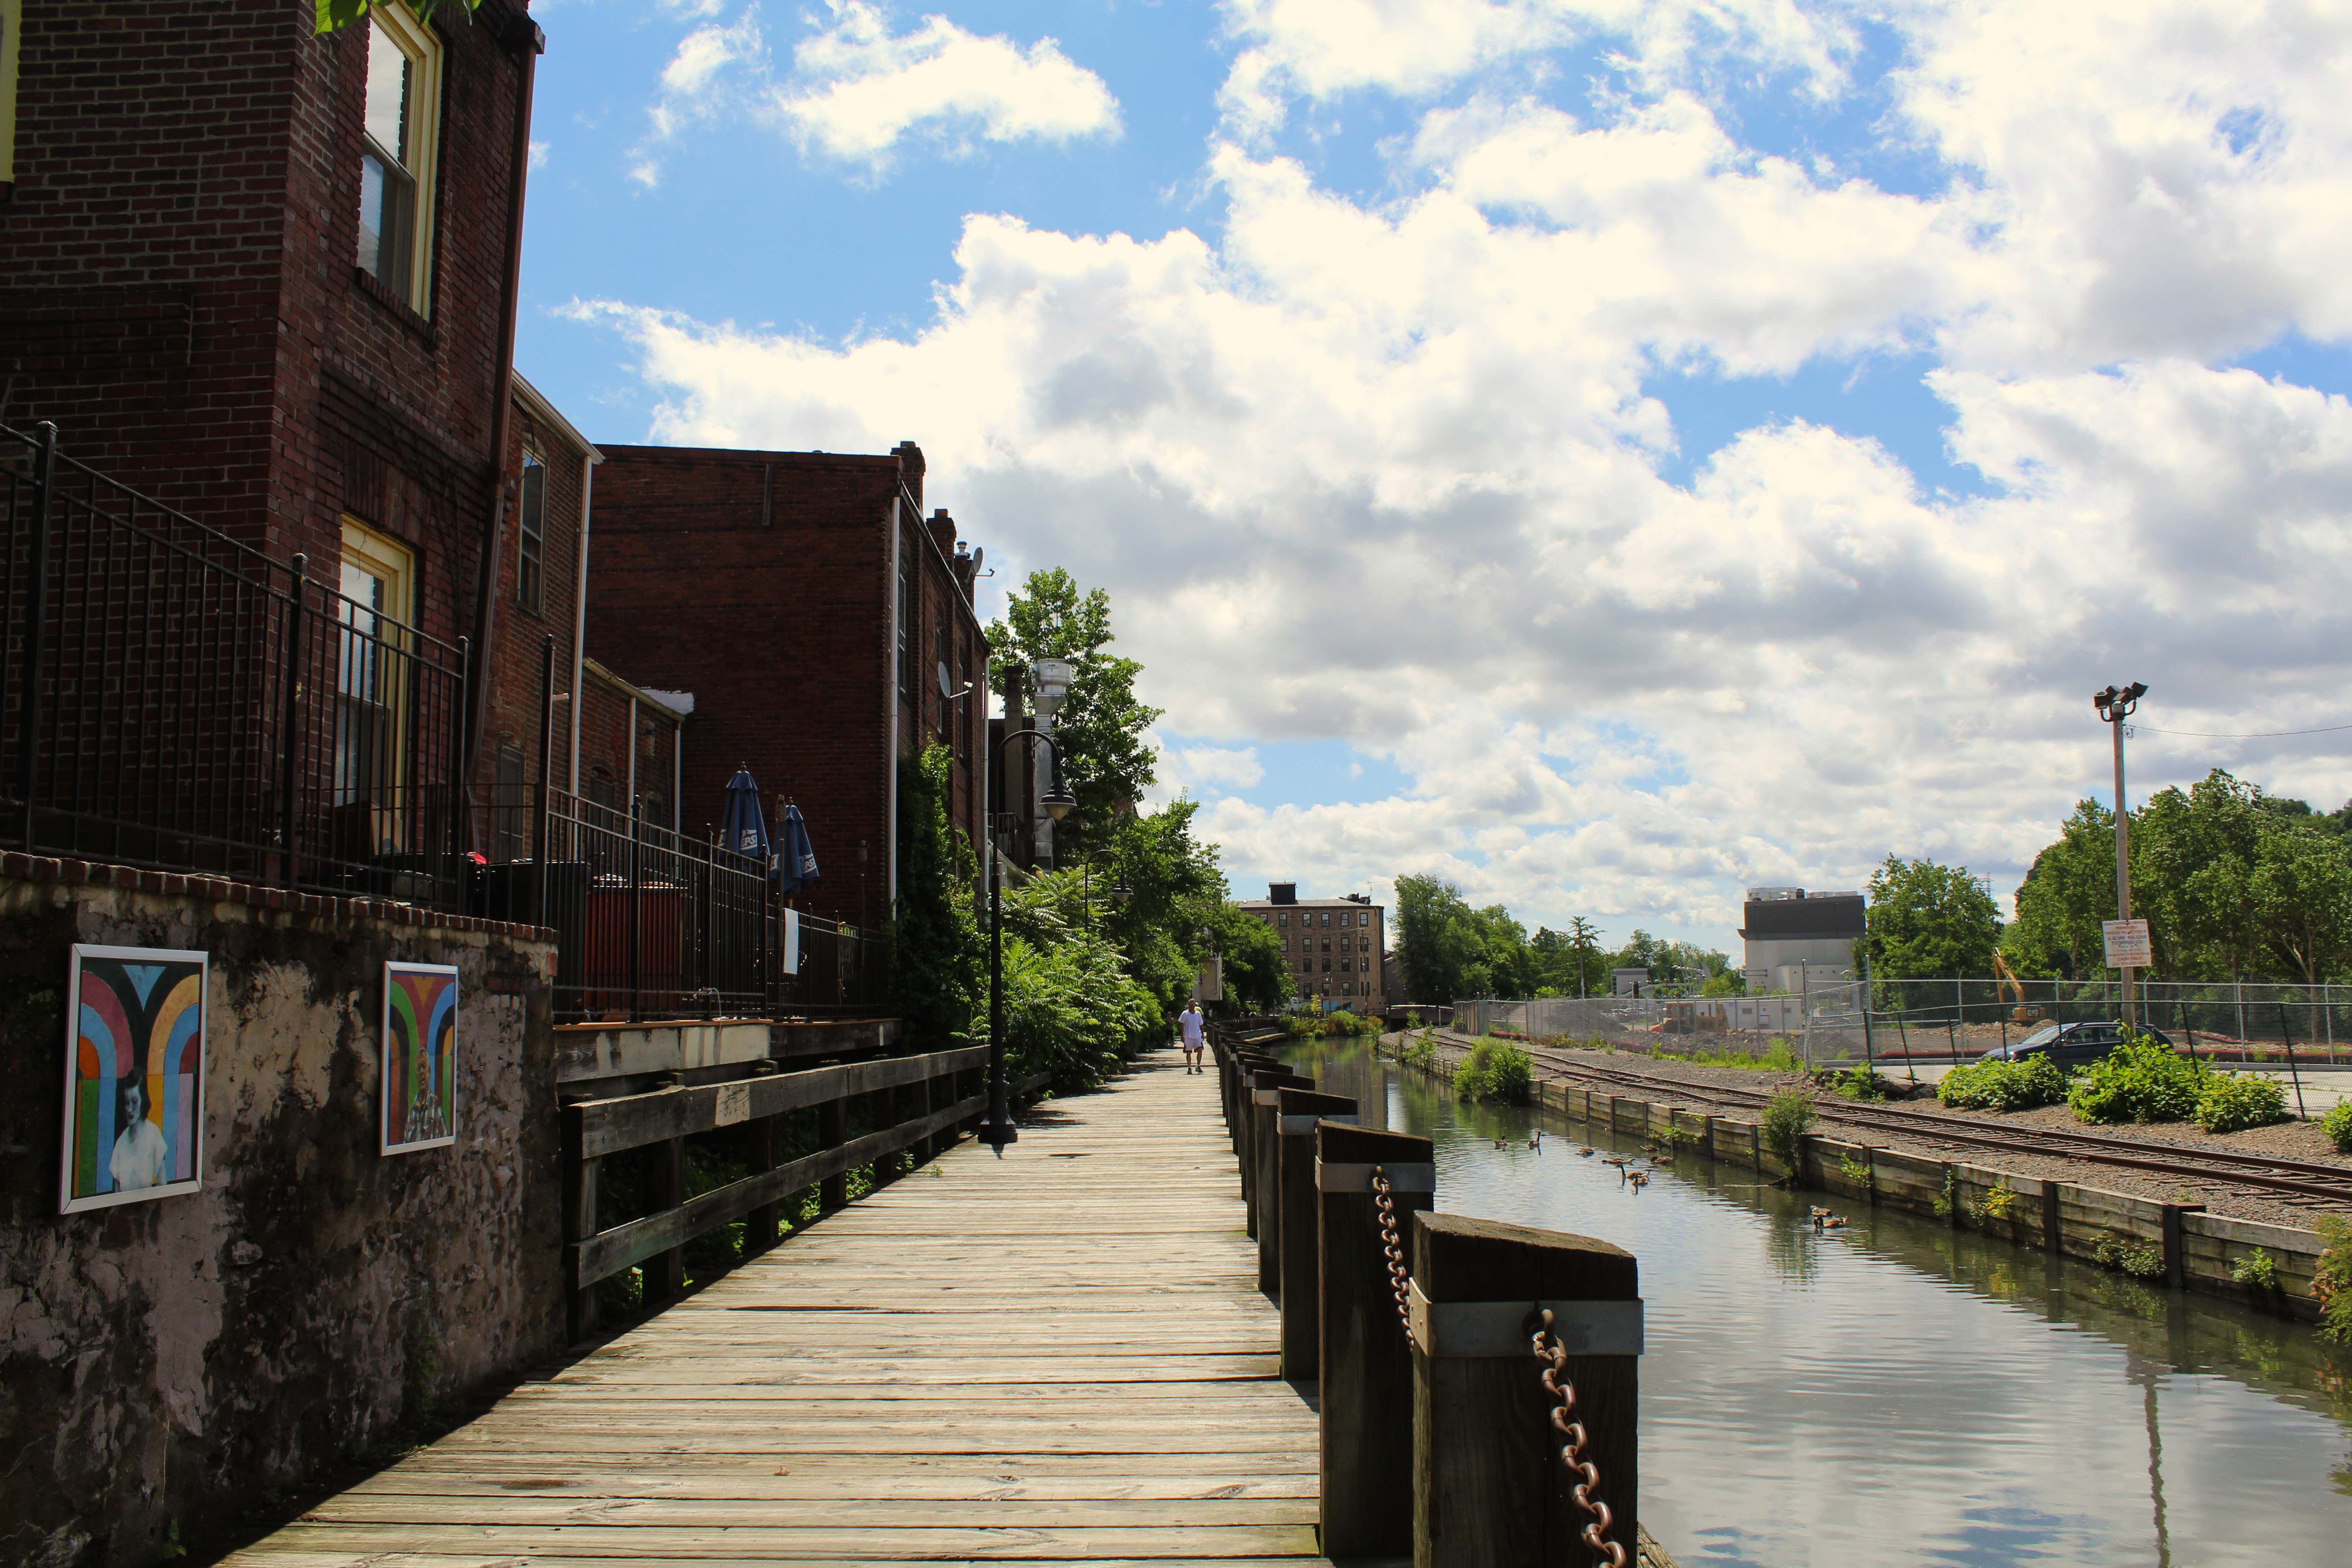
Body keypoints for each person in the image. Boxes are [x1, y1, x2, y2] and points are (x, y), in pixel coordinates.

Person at [109, 1077, 169, 1191]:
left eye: (135, 1101)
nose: (130, 1109)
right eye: (127, 1103)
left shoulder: (154, 1135)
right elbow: (117, 1194)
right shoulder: (121, 1143)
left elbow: (162, 1186)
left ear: (143, 1100)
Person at [1178, 1000, 1206, 1073]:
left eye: (1193, 1004)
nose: (1192, 1005)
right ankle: (1189, 1067)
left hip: (1197, 1035)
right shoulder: (1185, 1014)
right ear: (1189, 1005)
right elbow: (1182, 1025)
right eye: (1190, 1004)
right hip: (1188, 1036)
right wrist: (1182, 1035)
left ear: (1195, 1005)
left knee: (1200, 1050)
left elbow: (1201, 1025)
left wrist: (1202, 1034)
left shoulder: (1198, 1014)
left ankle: (1198, 1065)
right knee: (1188, 1052)